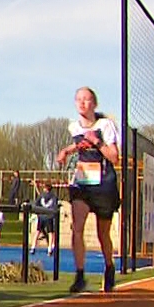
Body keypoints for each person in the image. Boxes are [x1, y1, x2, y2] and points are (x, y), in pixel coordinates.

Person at [54, 87, 120, 293]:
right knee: (77, 227)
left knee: (103, 234)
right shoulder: (73, 127)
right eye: (79, 100)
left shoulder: (106, 125)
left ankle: (109, 267)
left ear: (95, 104)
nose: (82, 103)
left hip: (104, 185)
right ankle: (80, 274)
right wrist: (66, 151)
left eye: (87, 100)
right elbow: (79, 144)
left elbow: (114, 157)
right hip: (82, 183)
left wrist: (97, 141)